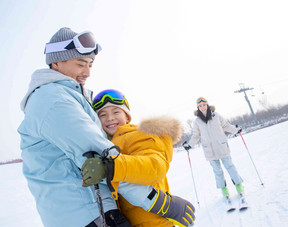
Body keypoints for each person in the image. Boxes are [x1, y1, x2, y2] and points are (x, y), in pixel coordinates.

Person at [18, 27, 195, 227]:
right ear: (56, 62)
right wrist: (159, 202)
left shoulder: (63, 97)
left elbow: (140, 165)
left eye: (90, 65)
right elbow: (103, 161)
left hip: (93, 210)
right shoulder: (54, 101)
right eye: (80, 64)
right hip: (86, 214)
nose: (87, 72)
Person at [81, 89, 192, 227]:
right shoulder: (106, 145)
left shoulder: (138, 135)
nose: (110, 118)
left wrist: (112, 166)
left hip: (155, 222)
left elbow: (154, 167)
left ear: (127, 116)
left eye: (116, 112)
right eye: (103, 115)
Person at [182, 97, 244, 199]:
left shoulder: (216, 115)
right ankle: (224, 191)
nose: (202, 107)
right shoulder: (197, 121)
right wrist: (190, 145)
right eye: (200, 106)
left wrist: (236, 130)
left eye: (204, 105)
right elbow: (196, 135)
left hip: (221, 146)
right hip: (209, 150)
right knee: (217, 171)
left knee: (230, 167)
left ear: (207, 105)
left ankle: (239, 186)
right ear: (198, 108)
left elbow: (226, 126)